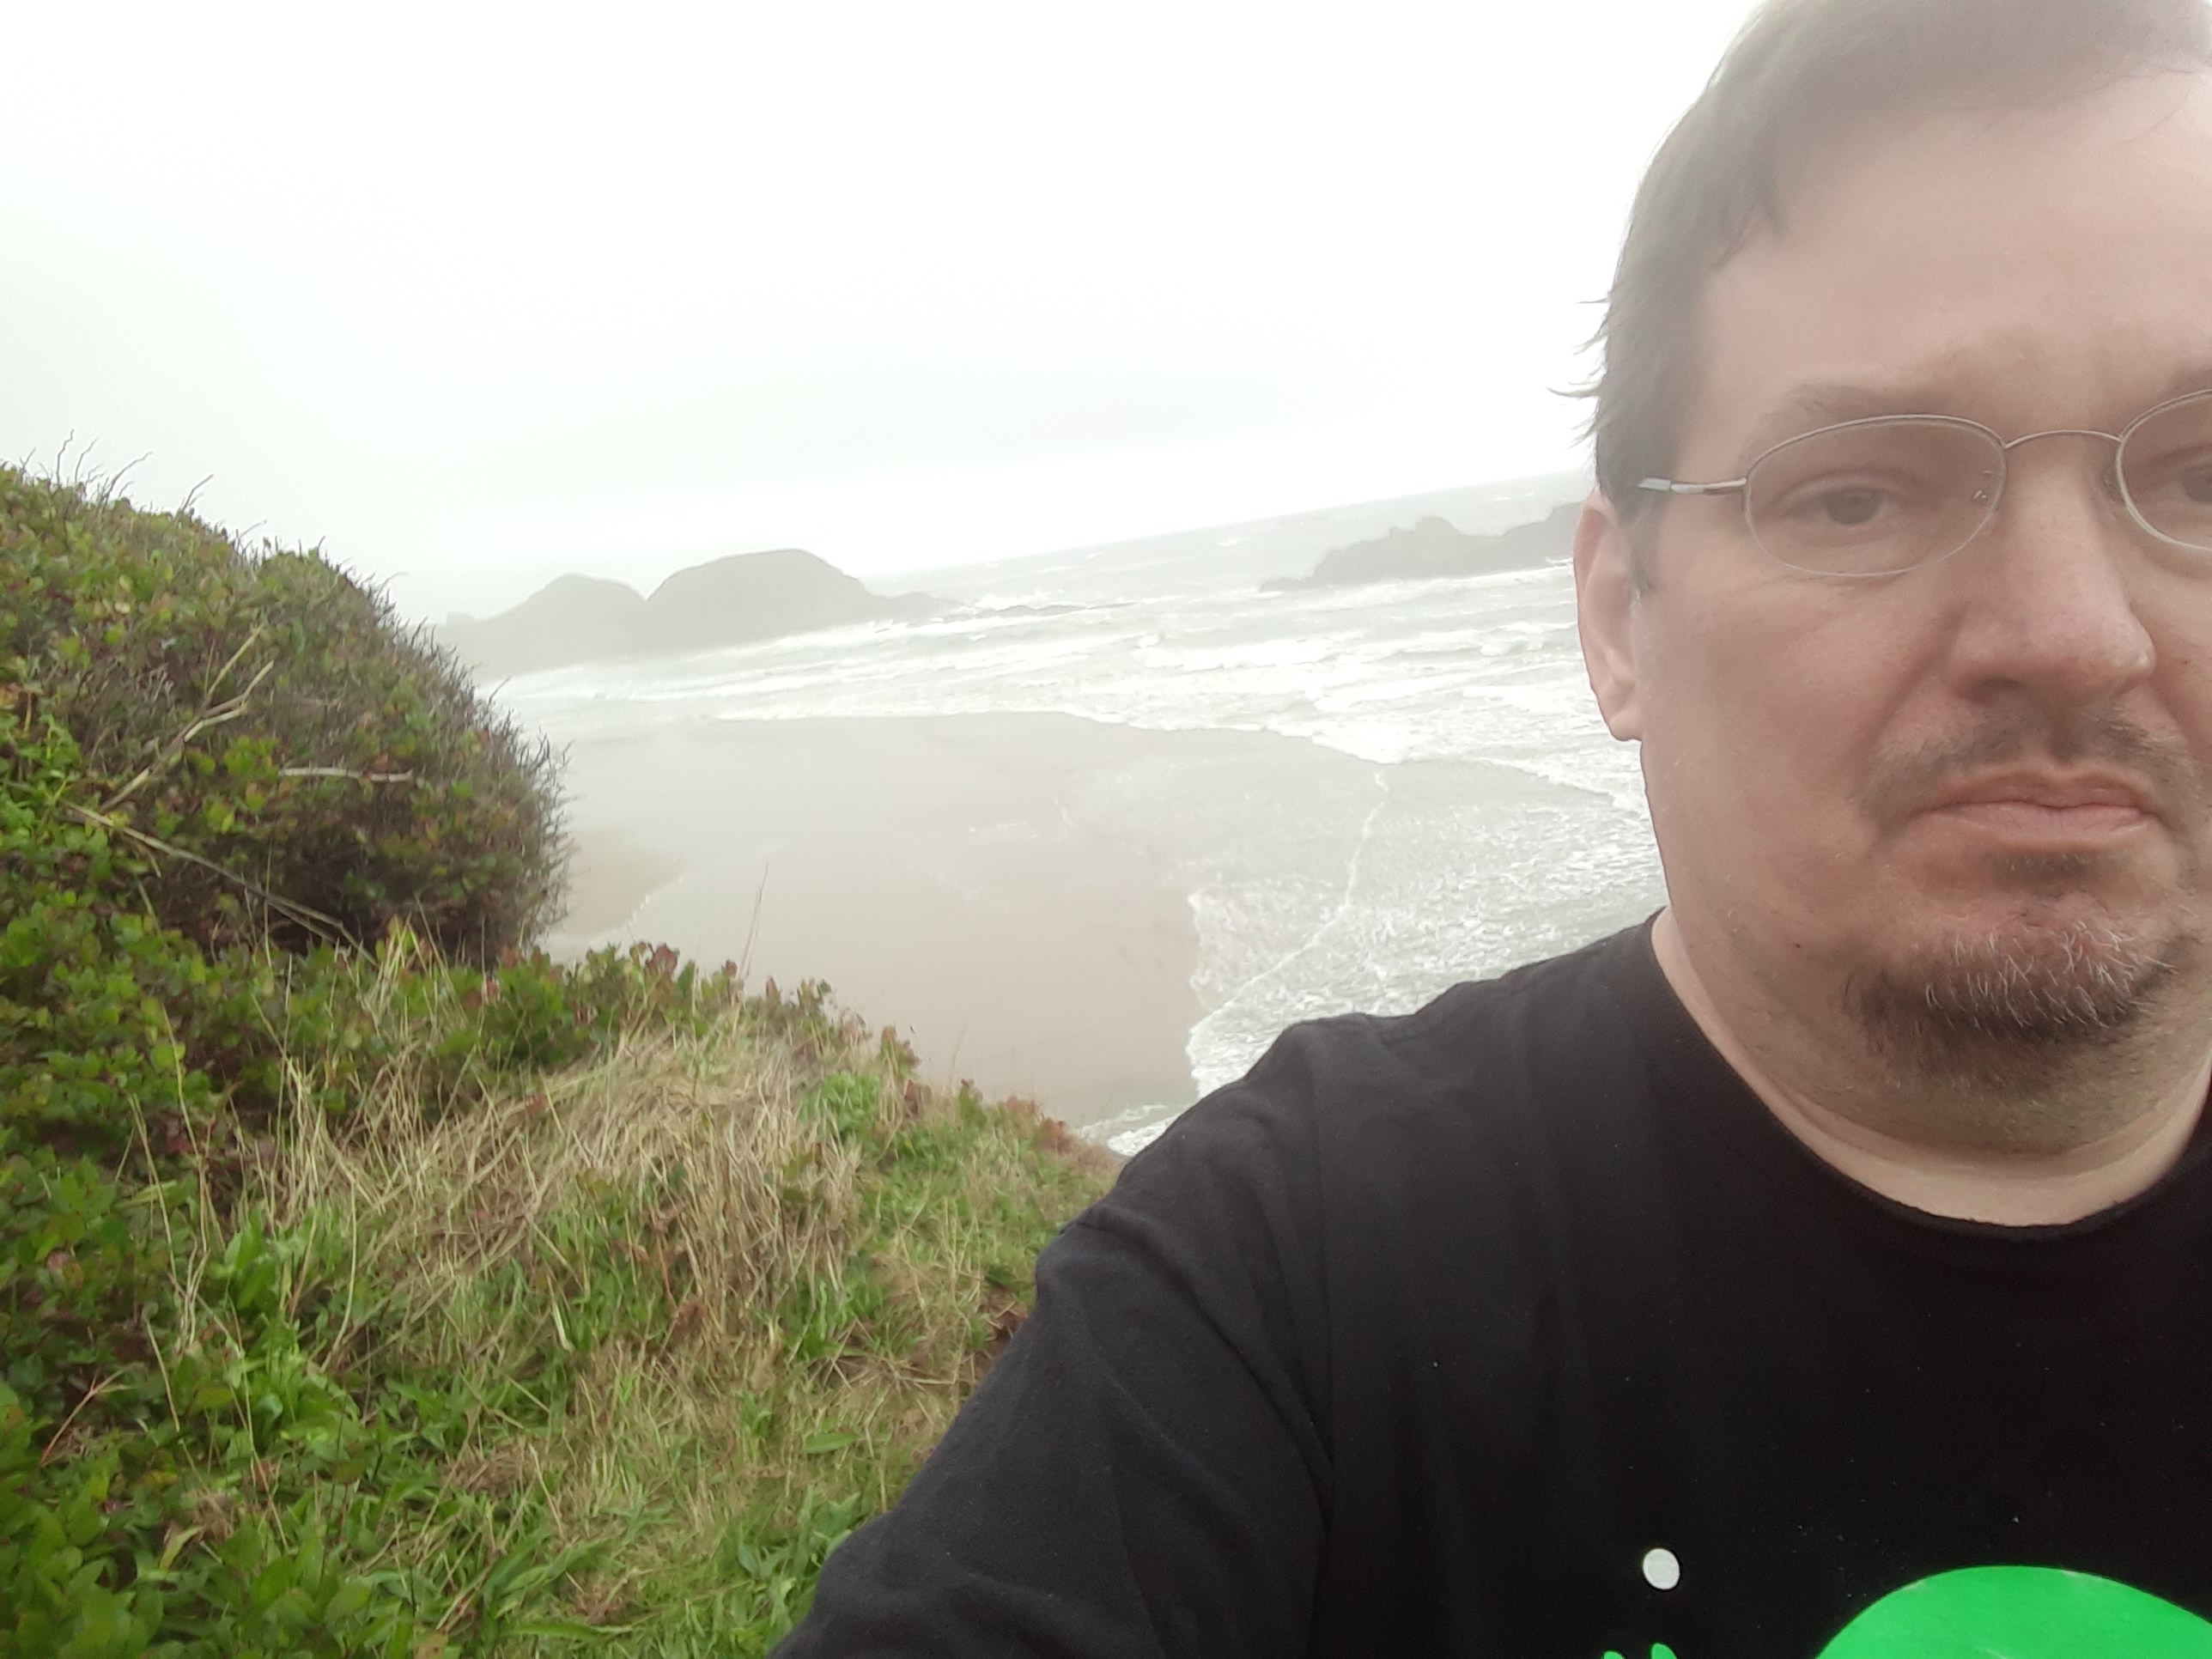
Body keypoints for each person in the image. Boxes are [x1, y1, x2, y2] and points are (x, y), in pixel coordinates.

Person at [776, 0, 2212, 1650]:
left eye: (2200, 476)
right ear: (1618, 619)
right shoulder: (1293, 1270)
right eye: (1859, 492)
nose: (2069, 632)